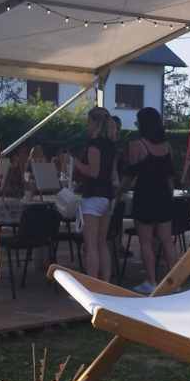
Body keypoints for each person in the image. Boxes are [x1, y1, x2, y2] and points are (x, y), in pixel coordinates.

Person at [125, 107, 180, 293]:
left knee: (146, 242)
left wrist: (119, 192)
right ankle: (175, 281)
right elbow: (170, 176)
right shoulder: (167, 147)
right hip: (164, 196)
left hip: (145, 196)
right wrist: (170, 195)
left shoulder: (136, 145)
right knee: (167, 240)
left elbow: (130, 175)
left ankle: (151, 281)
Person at [73, 107, 118, 281]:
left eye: (88, 122)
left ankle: (92, 283)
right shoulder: (111, 145)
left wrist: (76, 163)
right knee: (102, 242)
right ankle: (106, 281)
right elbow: (112, 174)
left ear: (94, 122)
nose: (87, 126)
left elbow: (93, 172)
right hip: (107, 196)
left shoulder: (93, 145)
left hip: (92, 196)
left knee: (90, 244)